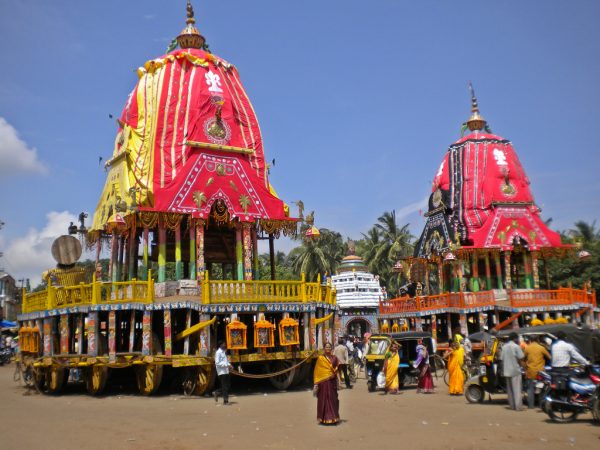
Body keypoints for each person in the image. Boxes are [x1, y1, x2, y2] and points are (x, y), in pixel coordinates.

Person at [313, 342, 340, 425]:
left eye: (329, 347)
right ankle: (323, 418)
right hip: (323, 383)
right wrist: (316, 383)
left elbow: (337, 370)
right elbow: (317, 372)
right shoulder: (320, 359)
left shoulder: (335, 358)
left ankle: (334, 418)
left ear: (331, 348)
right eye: (326, 347)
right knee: (323, 400)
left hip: (332, 383)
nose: (328, 348)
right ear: (324, 348)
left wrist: (339, 380)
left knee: (332, 399)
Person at [523, 335, 550, 408]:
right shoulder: (541, 348)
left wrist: (525, 368)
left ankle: (530, 405)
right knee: (543, 389)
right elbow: (549, 357)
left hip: (530, 371)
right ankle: (541, 405)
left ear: (530, 340)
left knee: (530, 389)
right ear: (538, 340)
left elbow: (523, 359)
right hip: (540, 372)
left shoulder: (527, 348)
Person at [501, 332, 525, 410]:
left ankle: (512, 406)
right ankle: (518, 406)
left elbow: (501, 359)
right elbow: (521, 358)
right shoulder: (516, 347)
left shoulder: (504, 347)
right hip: (515, 370)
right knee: (517, 389)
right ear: (515, 338)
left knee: (510, 390)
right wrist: (524, 367)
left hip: (507, 370)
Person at [213, 341, 233, 405]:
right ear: (220, 345)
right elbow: (217, 363)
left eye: (225, 344)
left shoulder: (224, 352)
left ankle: (217, 392)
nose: (225, 345)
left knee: (228, 386)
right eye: (223, 344)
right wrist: (226, 365)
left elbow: (226, 361)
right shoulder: (218, 353)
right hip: (221, 372)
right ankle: (225, 401)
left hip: (226, 371)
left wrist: (230, 365)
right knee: (224, 386)